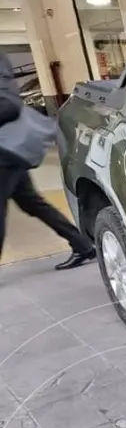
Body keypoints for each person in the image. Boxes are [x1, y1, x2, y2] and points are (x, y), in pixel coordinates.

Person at [0, 52, 94, 270]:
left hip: (5, 151)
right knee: (31, 202)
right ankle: (82, 245)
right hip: (9, 150)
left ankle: (82, 245)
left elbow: (9, 104)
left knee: (26, 204)